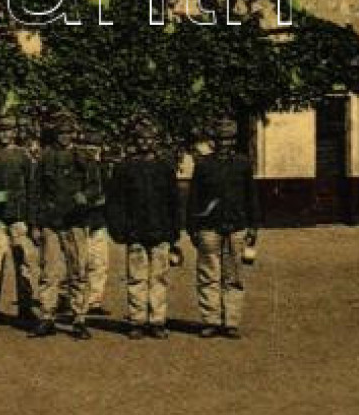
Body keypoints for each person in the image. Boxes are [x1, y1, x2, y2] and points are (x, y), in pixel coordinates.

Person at [31, 115, 102, 340]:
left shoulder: (84, 157)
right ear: (55, 134)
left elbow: (95, 187)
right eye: (61, 133)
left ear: (74, 134)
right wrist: (35, 224)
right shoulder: (45, 158)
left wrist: (86, 196)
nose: (65, 136)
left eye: (69, 132)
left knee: (79, 270)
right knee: (49, 271)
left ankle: (79, 318)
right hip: (52, 222)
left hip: (76, 221)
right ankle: (46, 317)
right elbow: (35, 192)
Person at [188, 124, 260, 339]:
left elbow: (251, 196)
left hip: (237, 226)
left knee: (234, 276)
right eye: (220, 139)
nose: (224, 143)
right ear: (213, 140)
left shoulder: (242, 164)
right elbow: (194, 199)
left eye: (229, 139)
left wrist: (254, 225)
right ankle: (210, 321)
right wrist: (192, 228)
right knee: (208, 275)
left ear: (234, 141)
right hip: (208, 227)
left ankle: (231, 322)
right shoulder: (203, 165)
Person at [108, 140, 183, 338]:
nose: (144, 143)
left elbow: (174, 201)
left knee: (159, 277)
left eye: (148, 139)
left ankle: (157, 321)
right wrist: (118, 229)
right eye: (139, 138)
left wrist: (175, 232)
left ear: (155, 142)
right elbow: (115, 201)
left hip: (161, 231)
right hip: (135, 232)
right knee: (136, 278)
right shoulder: (124, 168)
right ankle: (137, 321)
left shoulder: (165, 168)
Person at [0, 116, 41, 327]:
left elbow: (32, 189)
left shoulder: (24, 157)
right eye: (2, 131)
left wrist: (31, 221)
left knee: (23, 263)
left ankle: (26, 307)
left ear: (15, 133)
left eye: (10, 130)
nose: (6, 134)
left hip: (18, 218)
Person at [84, 138, 117, 317]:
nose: (92, 151)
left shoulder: (105, 169)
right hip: (81, 220)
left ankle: (94, 301)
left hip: (99, 221)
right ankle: (68, 298)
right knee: (78, 262)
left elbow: (111, 193)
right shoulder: (77, 167)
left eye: (95, 147)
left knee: (100, 262)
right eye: (89, 147)